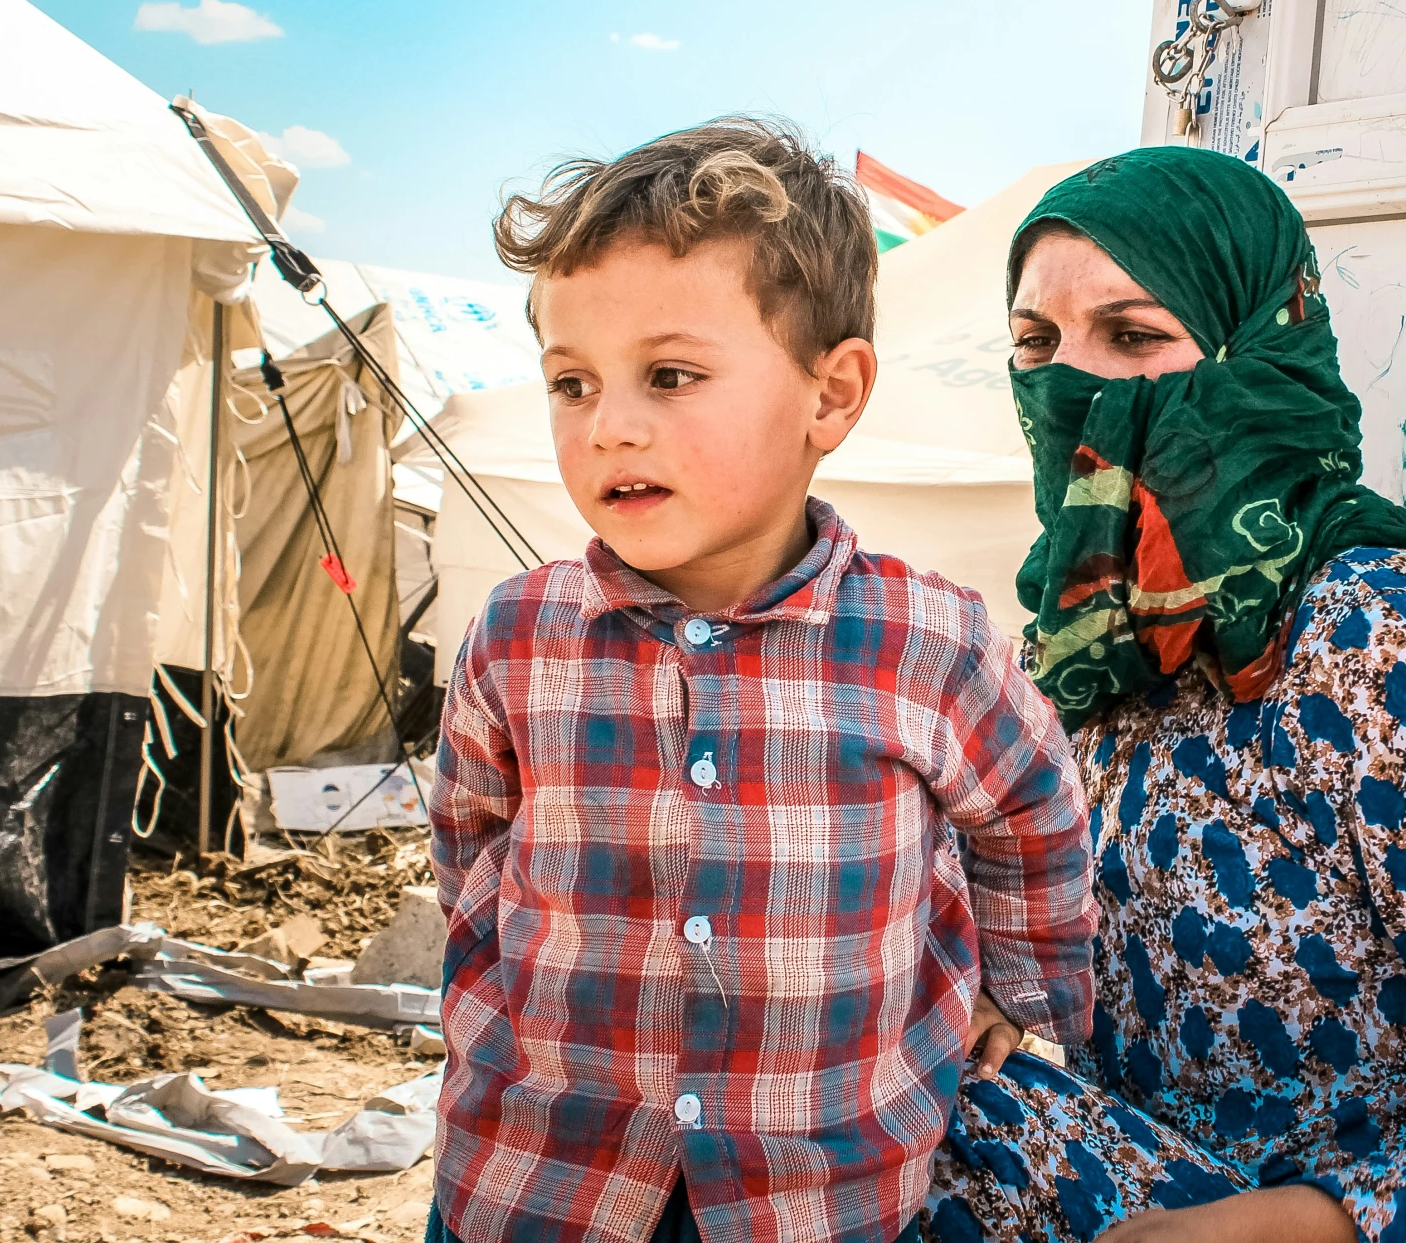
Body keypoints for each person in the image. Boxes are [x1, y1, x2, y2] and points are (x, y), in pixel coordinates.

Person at [920, 146, 1406, 1242]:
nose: (1074, 388)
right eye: (1036, 345)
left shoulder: (1380, 634)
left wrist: (1307, 1225)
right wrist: (986, 996)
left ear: (1259, 352)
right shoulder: (1093, 661)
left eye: (1135, 336)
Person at [427, 119, 1098, 1243]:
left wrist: (1014, 993)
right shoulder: (516, 635)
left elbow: (1034, 816)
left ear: (830, 396)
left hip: (820, 1198)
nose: (610, 426)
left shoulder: (925, 642)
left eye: (670, 376)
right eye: (572, 384)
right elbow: (468, 839)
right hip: (539, 1181)